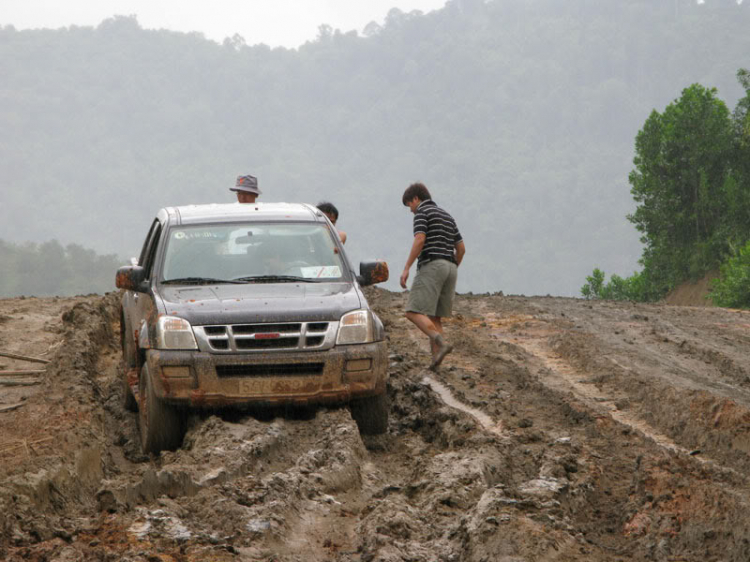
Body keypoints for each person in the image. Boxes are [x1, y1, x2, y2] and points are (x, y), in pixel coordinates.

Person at [400, 182, 465, 370]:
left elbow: (420, 239)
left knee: (412, 311)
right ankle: (436, 361)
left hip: (432, 264)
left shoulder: (422, 212)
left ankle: (441, 342)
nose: (411, 211)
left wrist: (406, 268)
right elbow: (461, 248)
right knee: (435, 318)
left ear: (416, 199)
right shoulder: (448, 216)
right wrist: (450, 266)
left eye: (409, 205)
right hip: (451, 268)